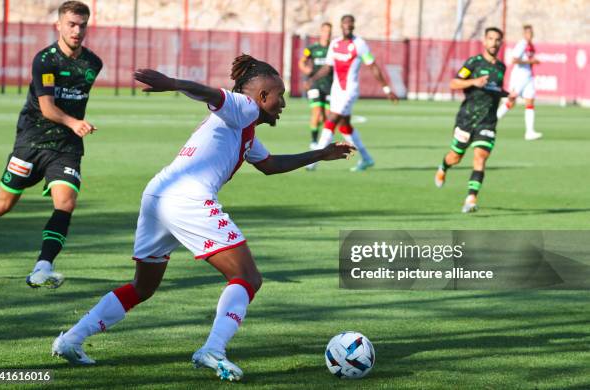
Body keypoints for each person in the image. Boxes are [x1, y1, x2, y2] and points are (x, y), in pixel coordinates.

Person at [51, 55, 355, 381]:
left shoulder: (245, 129)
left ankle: (71, 339)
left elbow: (269, 165)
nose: (283, 102)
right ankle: (213, 350)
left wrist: (321, 153)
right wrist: (175, 84)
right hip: (187, 199)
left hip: (158, 195)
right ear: (263, 95)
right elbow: (213, 94)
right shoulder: (245, 107)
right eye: (279, 94)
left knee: (142, 286)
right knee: (248, 278)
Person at [0, 1, 101, 288]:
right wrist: (74, 122)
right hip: (31, 142)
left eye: (82, 25)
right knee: (1, 205)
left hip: (66, 148)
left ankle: (43, 267)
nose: (77, 30)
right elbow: (47, 108)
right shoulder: (45, 60)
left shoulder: (93, 64)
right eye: (71, 24)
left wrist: (72, 128)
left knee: (66, 203)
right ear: (59, 25)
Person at [305, 14, 397, 172]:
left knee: (331, 119)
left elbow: (373, 66)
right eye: (345, 24)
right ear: (341, 26)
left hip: (350, 90)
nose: (348, 27)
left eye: (350, 25)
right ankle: (367, 159)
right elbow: (328, 67)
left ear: (353, 26)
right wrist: (312, 79)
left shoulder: (360, 44)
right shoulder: (334, 44)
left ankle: (314, 161)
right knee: (344, 126)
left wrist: (386, 88)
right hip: (336, 90)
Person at [434, 27, 508, 213]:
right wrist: (473, 82)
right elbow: (454, 83)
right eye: (490, 38)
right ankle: (444, 166)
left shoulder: (501, 67)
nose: (493, 42)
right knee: (455, 157)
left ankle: (471, 199)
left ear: (500, 42)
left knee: (480, 157)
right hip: (467, 118)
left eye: (497, 39)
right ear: (484, 41)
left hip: (488, 121)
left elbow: (496, 90)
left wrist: (509, 95)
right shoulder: (473, 63)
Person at [496, 24, 542, 140]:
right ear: (524, 34)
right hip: (519, 77)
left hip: (528, 77)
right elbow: (514, 59)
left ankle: (529, 132)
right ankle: (491, 121)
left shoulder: (529, 45)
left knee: (530, 102)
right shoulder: (521, 44)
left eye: (531, 33)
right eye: (528, 33)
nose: (530, 35)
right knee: (511, 102)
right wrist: (530, 61)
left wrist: (531, 62)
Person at [298, 22, 333, 150]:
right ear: (321, 32)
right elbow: (301, 62)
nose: (327, 34)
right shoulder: (312, 48)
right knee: (317, 112)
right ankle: (313, 142)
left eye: (329, 31)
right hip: (315, 84)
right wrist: (306, 70)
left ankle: (325, 141)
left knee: (327, 116)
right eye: (325, 31)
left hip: (330, 85)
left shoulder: (333, 48)